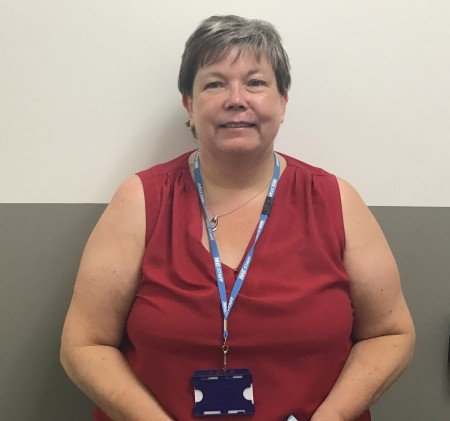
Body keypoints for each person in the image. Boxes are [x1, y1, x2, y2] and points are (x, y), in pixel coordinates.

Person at [60, 15, 415, 421]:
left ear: (283, 102)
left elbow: (390, 334)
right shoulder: (140, 201)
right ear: (189, 105)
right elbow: (84, 344)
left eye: (256, 82)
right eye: (214, 83)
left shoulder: (336, 201)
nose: (236, 98)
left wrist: (330, 418)